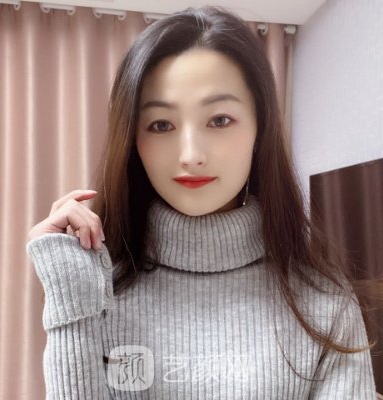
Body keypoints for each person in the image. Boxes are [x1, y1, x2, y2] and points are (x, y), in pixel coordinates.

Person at [26, 5, 378, 399]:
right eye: (161, 125)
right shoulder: (94, 292)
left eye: (219, 120)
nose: (191, 155)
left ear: (260, 128)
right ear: (133, 140)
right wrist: (70, 297)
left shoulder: (324, 305)